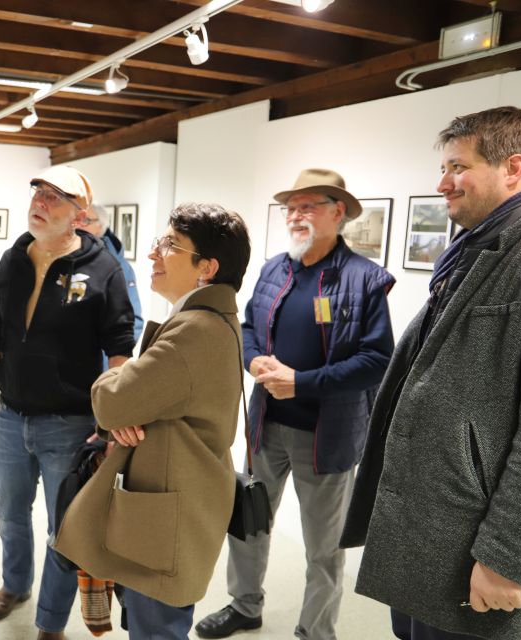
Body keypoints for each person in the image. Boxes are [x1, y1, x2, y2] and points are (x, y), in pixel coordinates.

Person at [341, 106, 521, 640]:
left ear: (513, 168)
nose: (442, 183)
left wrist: (505, 555)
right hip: (430, 528)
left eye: (457, 167)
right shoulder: (474, 250)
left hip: (475, 541)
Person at [196, 168, 396, 640]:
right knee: (248, 523)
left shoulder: (365, 280)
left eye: (308, 206)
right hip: (265, 425)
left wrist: (301, 382)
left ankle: (315, 630)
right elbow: (244, 327)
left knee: (323, 547)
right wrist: (253, 362)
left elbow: (376, 360)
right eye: (291, 207)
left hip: (326, 437)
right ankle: (245, 606)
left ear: (337, 212)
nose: (296, 216)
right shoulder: (274, 268)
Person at [55, 203, 252, 639]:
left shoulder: (194, 332)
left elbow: (111, 403)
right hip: (173, 507)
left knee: (156, 629)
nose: (153, 254)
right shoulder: (205, 320)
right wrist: (131, 401)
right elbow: (131, 404)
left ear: (208, 267)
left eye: (170, 246)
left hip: (167, 524)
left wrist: (116, 381)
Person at [0, 165, 136, 640]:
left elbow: (121, 346)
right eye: (38, 193)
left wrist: (111, 415)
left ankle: (51, 624)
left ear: (79, 216)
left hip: (70, 423)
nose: (41, 202)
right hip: (11, 415)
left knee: (66, 527)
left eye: (56, 198)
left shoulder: (103, 270)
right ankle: (15, 584)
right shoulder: (13, 259)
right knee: (10, 512)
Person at [79, 203, 144, 343]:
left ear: (100, 227)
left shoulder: (117, 266)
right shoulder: (65, 257)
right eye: (77, 218)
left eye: (86, 220)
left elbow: (133, 319)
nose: (79, 225)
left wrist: (113, 357)